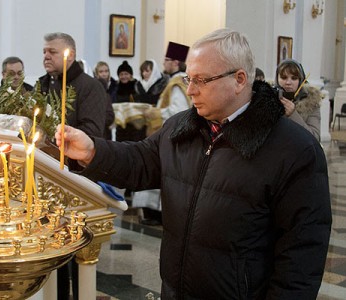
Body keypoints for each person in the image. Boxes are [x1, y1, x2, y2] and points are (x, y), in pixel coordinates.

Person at [55, 28, 332, 299]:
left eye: (201, 80)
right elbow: (140, 161)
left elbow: (302, 254)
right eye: (189, 78)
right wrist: (92, 150)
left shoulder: (294, 149)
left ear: (239, 79)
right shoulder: (181, 128)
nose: (189, 90)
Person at [39, 32, 107, 300]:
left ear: (70, 55)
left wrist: (54, 133)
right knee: (53, 252)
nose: (46, 56)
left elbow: (93, 132)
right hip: (46, 178)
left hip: (78, 181)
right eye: (44, 51)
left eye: (52, 52)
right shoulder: (42, 85)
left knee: (77, 248)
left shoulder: (89, 87)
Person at [134, 42, 192, 225]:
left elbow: (178, 111)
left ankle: (156, 213)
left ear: (175, 62)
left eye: (167, 60)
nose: (163, 63)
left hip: (170, 135)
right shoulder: (181, 80)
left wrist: (155, 113)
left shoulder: (177, 82)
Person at [275, 59, 322, 141]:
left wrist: (293, 115)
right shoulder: (267, 100)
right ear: (277, 79)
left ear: (300, 80)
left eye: (294, 78)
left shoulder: (311, 103)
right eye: (284, 77)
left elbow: (315, 138)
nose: (288, 82)